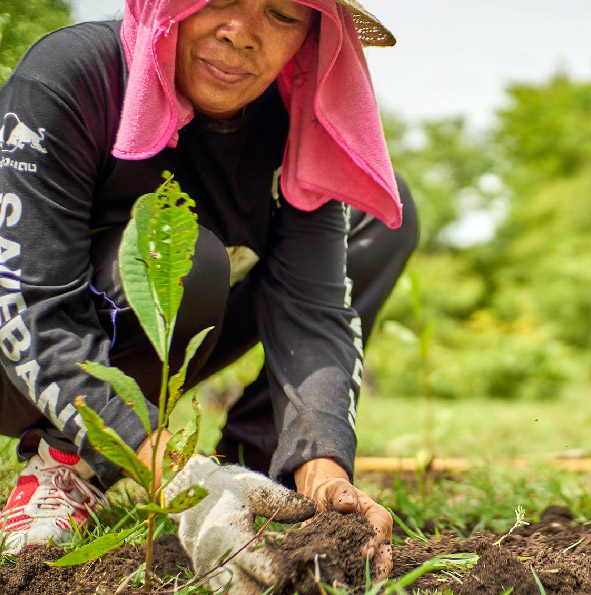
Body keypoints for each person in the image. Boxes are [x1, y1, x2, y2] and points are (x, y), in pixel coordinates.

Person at [0, 0, 418, 584]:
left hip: (155, 336)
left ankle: (257, 472)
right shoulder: (75, 75)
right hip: (18, 351)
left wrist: (326, 480)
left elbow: (314, 310)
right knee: (182, 256)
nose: (242, 33)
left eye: (281, 14)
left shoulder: (299, 121)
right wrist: (181, 476)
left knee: (378, 208)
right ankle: (69, 459)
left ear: (312, 36)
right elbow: (30, 308)